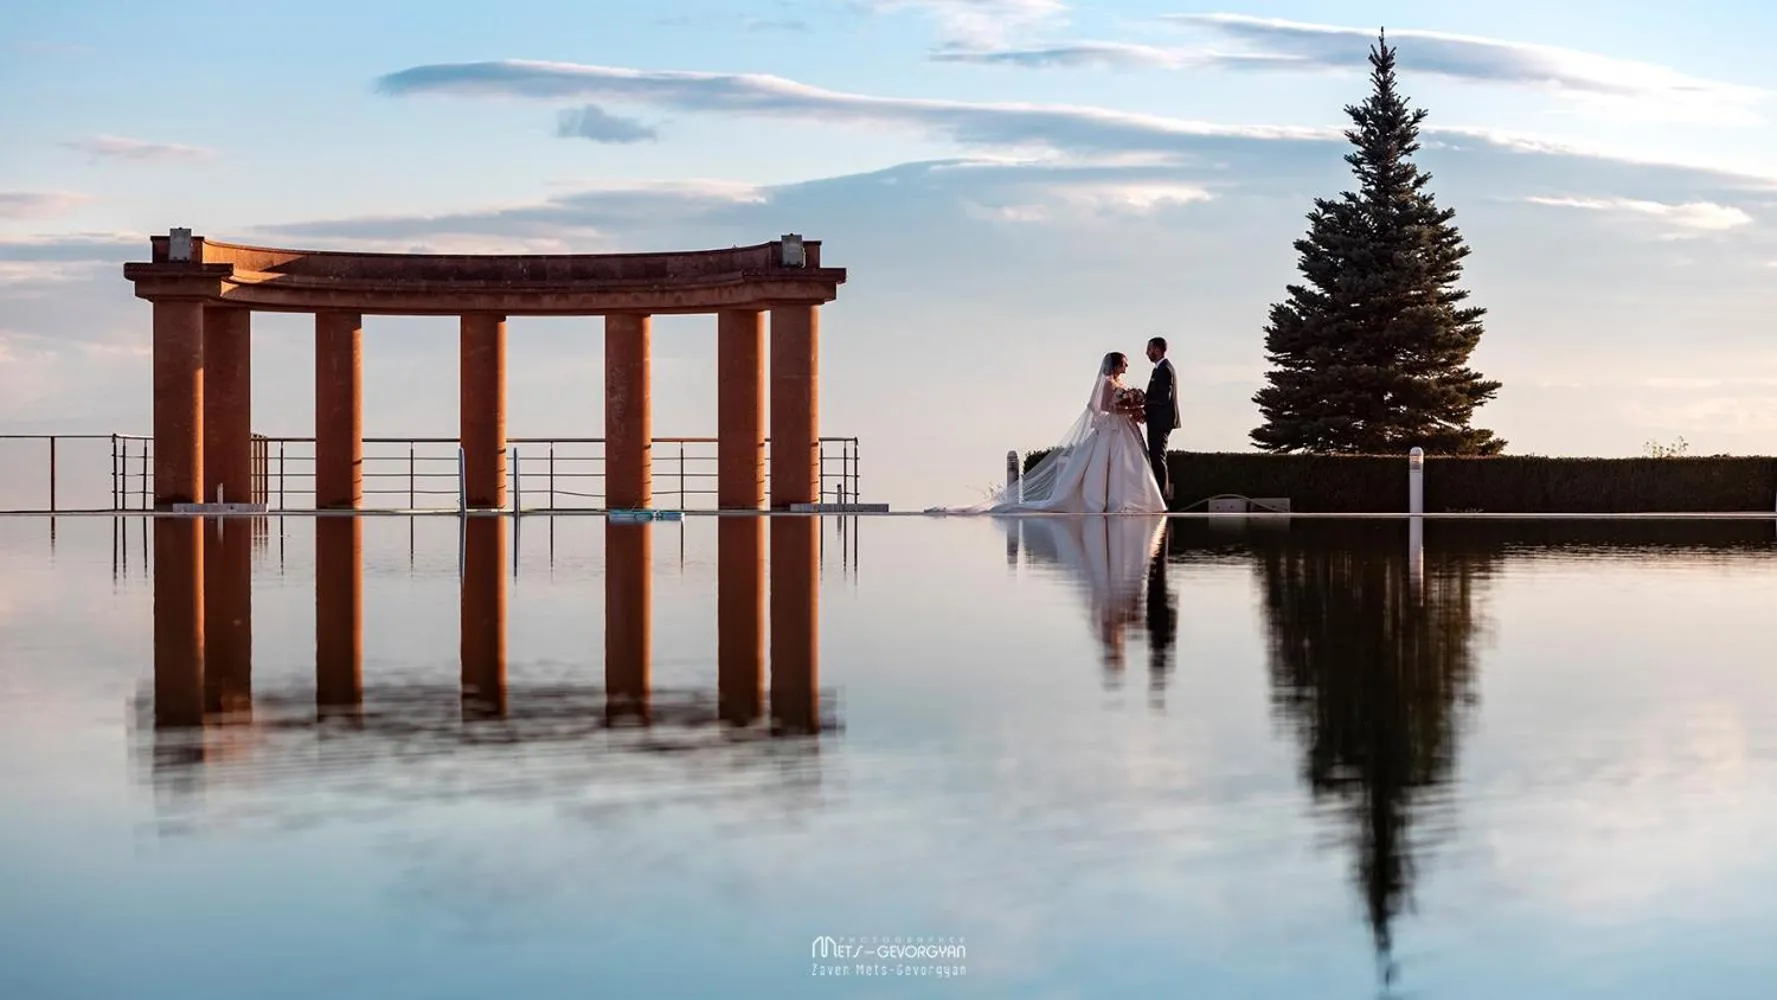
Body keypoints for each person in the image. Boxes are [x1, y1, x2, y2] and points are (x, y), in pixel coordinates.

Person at [934, 352, 1166, 514]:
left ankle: (1135, 501)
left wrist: (1134, 408)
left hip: (1123, 429)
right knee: (1109, 465)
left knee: (1128, 465)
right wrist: (1128, 407)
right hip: (1112, 428)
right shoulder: (1106, 383)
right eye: (1124, 363)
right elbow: (1103, 407)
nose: (1127, 367)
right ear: (1115, 365)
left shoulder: (1120, 384)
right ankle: (1112, 502)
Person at [1144, 336, 1181, 502]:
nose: (1147, 353)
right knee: (1156, 456)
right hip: (1157, 419)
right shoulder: (1158, 369)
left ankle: (1161, 497)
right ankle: (1159, 495)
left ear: (1157, 349)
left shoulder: (1165, 369)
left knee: (1158, 457)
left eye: (1149, 349)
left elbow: (1162, 398)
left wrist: (1143, 404)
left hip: (1161, 420)